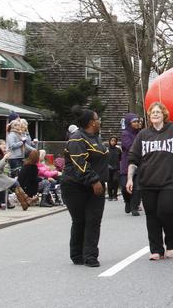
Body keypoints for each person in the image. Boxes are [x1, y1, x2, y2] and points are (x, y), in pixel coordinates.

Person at [126, 102, 173, 261]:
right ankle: (156, 250)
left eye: (158, 112)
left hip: (171, 181)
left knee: (165, 211)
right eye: (152, 112)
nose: (155, 114)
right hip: (147, 181)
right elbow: (133, 158)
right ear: (149, 116)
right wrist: (130, 178)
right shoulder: (143, 135)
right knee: (152, 215)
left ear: (164, 114)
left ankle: (171, 243)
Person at [61, 108, 108, 267]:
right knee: (80, 220)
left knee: (93, 220)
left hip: (96, 187)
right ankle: (77, 254)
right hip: (75, 186)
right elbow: (80, 163)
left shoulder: (95, 137)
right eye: (97, 119)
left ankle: (90, 255)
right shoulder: (77, 139)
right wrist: (94, 180)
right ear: (91, 122)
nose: (99, 121)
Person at [0, 139, 31, 210]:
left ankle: (20, 201)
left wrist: (5, 158)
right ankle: (25, 200)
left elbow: (2, 167)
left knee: (14, 182)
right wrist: (5, 158)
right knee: (15, 182)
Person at [119, 113, 143, 215]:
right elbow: (129, 146)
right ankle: (127, 201)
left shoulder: (141, 133)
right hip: (127, 164)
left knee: (137, 187)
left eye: (138, 121)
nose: (137, 123)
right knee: (124, 186)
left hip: (139, 163)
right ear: (129, 123)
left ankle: (134, 207)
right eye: (134, 122)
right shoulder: (125, 134)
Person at [106, 136, 122, 201]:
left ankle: (115, 195)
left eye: (114, 141)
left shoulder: (118, 149)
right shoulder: (106, 149)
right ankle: (110, 196)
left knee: (115, 180)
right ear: (109, 141)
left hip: (116, 168)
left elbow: (120, 158)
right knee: (109, 182)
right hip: (108, 168)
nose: (113, 142)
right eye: (112, 140)